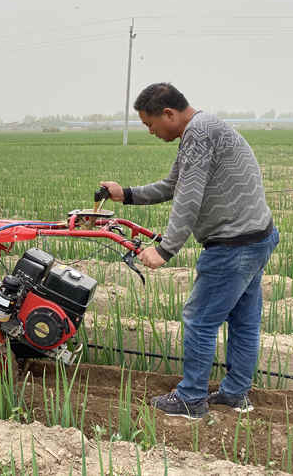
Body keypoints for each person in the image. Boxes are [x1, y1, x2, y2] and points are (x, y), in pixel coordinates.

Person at [100, 83, 278, 420]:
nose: (150, 132)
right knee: (243, 322)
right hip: (257, 238)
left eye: (149, 124)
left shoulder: (199, 133)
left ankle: (191, 399)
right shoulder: (202, 129)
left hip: (233, 245)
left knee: (200, 321)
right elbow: (173, 185)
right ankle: (235, 394)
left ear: (169, 113)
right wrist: (126, 193)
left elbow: (188, 198)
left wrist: (165, 250)